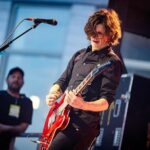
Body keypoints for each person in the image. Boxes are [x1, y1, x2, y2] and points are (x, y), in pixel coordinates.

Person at [46, 8, 123, 150]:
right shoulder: (79, 55)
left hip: (82, 127)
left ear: (110, 35)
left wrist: (82, 105)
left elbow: (106, 102)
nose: (94, 36)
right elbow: (62, 81)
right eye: (93, 32)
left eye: (100, 33)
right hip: (60, 120)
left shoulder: (112, 62)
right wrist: (53, 94)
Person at [0, 67, 33, 150]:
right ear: (6, 79)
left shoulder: (26, 102)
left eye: (19, 77)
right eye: (13, 76)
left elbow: (24, 126)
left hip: (10, 145)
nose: (16, 79)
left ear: (23, 82)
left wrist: (3, 128)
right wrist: (13, 129)